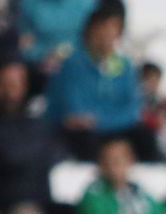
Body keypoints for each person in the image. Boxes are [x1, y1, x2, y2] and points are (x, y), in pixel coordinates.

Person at [45, 6, 150, 160]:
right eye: (103, 27)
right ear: (91, 30)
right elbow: (76, 113)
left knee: (145, 138)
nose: (107, 33)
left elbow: (132, 109)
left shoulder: (124, 65)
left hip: (111, 127)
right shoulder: (73, 63)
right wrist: (102, 120)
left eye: (113, 28)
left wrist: (101, 121)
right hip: (83, 133)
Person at [0, 61, 63, 214]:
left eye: (17, 83)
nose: (12, 89)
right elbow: (10, 158)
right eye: (7, 83)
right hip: (5, 209)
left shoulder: (39, 123)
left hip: (41, 207)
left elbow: (53, 156)